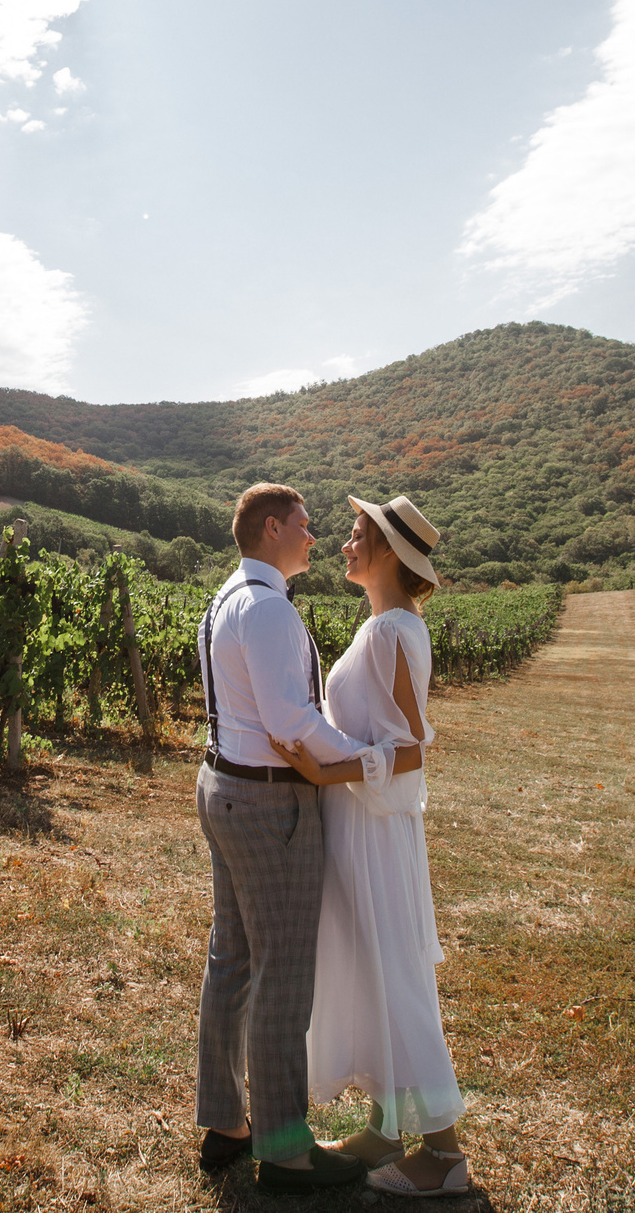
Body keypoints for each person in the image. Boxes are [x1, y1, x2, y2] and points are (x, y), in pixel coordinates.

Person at [271, 494, 470, 1198]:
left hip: (374, 832)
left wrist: (325, 771)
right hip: (362, 825)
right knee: (376, 972)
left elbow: (410, 750)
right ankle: (386, 1130)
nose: (345, 544)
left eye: (357, 535)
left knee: (397, 978)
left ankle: (445, 1156)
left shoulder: (390, 633)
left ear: (387, 550)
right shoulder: (385, 625)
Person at [193, 483, 372, 1194]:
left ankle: (226, 1122)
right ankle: (287, 1148)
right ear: (272, 528)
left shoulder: (227, 598)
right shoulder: (267, 608)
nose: (313, 537)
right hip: (269, 803)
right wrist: (366, 759)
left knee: (232, 956)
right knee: (283, 971)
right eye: (303, 524)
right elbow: (290, 722)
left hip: (224, 784)